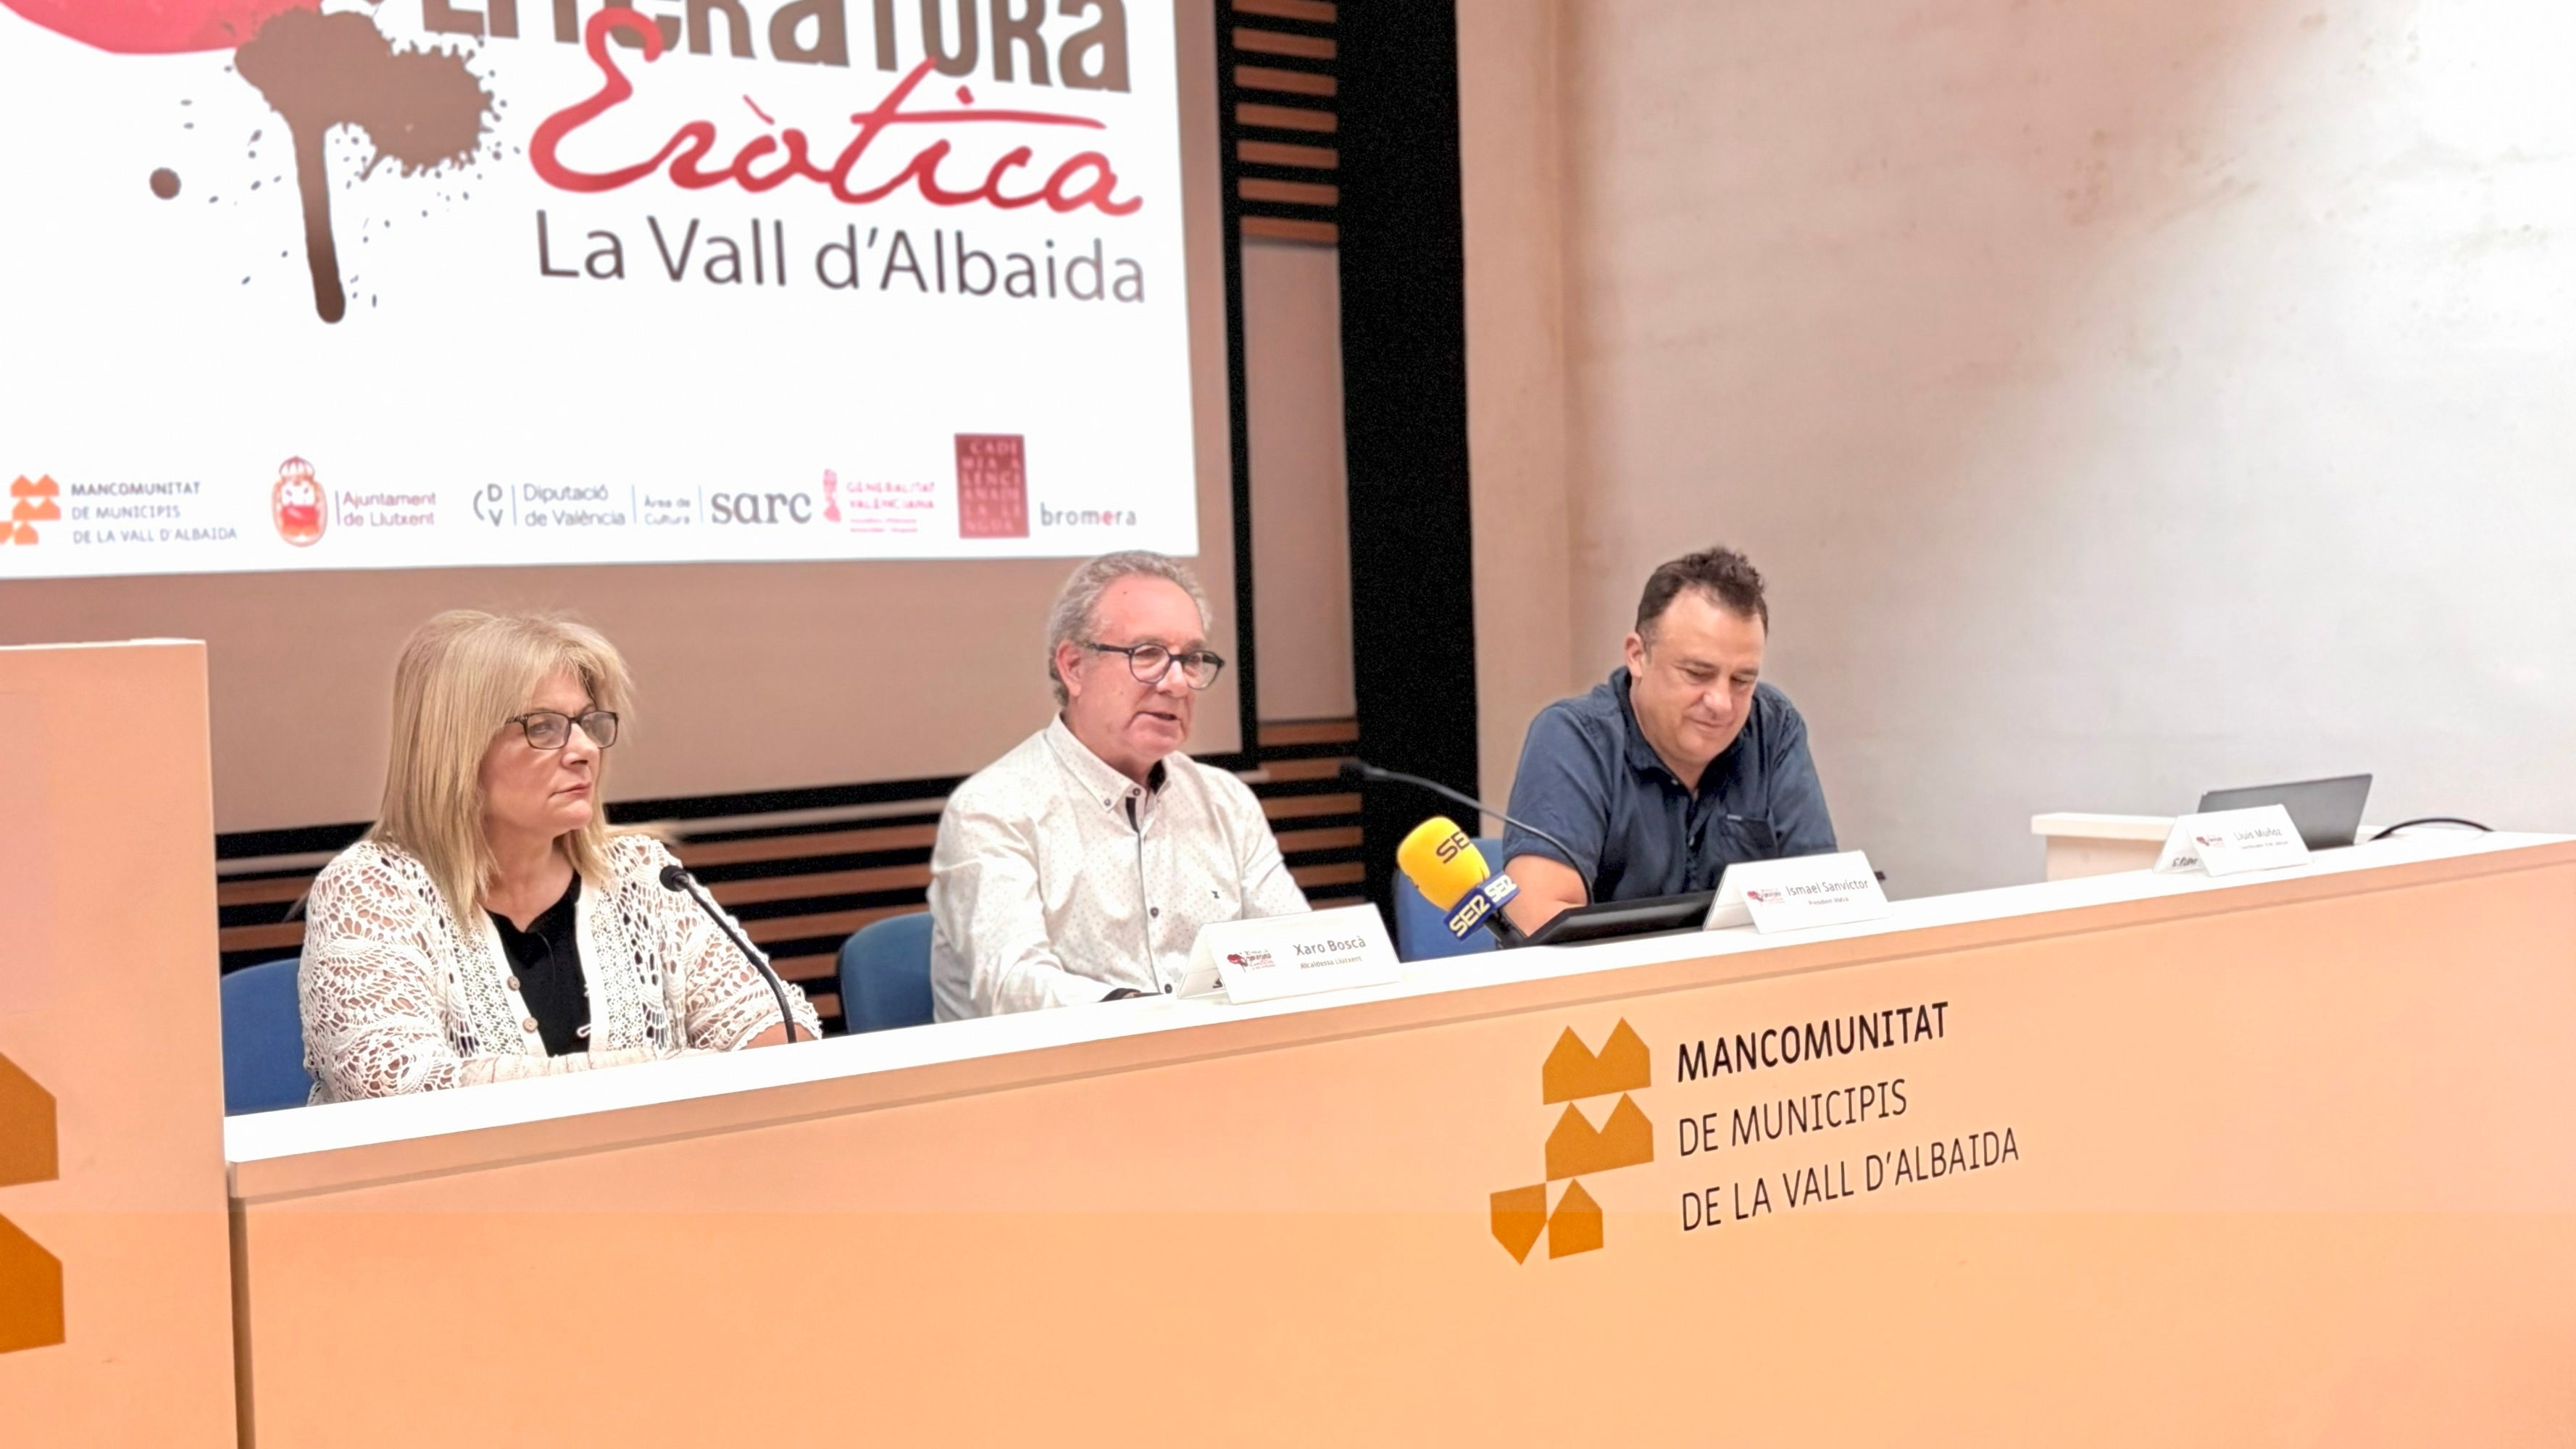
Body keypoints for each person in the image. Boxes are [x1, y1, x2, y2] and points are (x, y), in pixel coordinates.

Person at [299, 610, 817, 1102]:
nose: (585, 749)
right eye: (544, 727)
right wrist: (675, 1069)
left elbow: (779, 1030)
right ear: (456, 747)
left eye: (589, 723)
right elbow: (398, 1091)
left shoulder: (641, 872)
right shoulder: (371, 890)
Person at [930, 551, 1307, 1018]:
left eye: (1191, 660)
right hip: (1064, 1080)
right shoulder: (994, 809)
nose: (1177, 683)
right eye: (1147, 655)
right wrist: (1153, 1017)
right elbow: (1014, 987)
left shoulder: (1226, 801)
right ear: (1073, 667)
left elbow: (1299, 952)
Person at [1500, 545, 1835, 932]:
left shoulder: (1773, 728)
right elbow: (1538, 922)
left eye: (1742, 680)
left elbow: (1824, 901)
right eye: (1697, 673)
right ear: (1637, 656)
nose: (1722, 703)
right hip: (1621, 991)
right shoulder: (1573, 739)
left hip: (1746, 988)